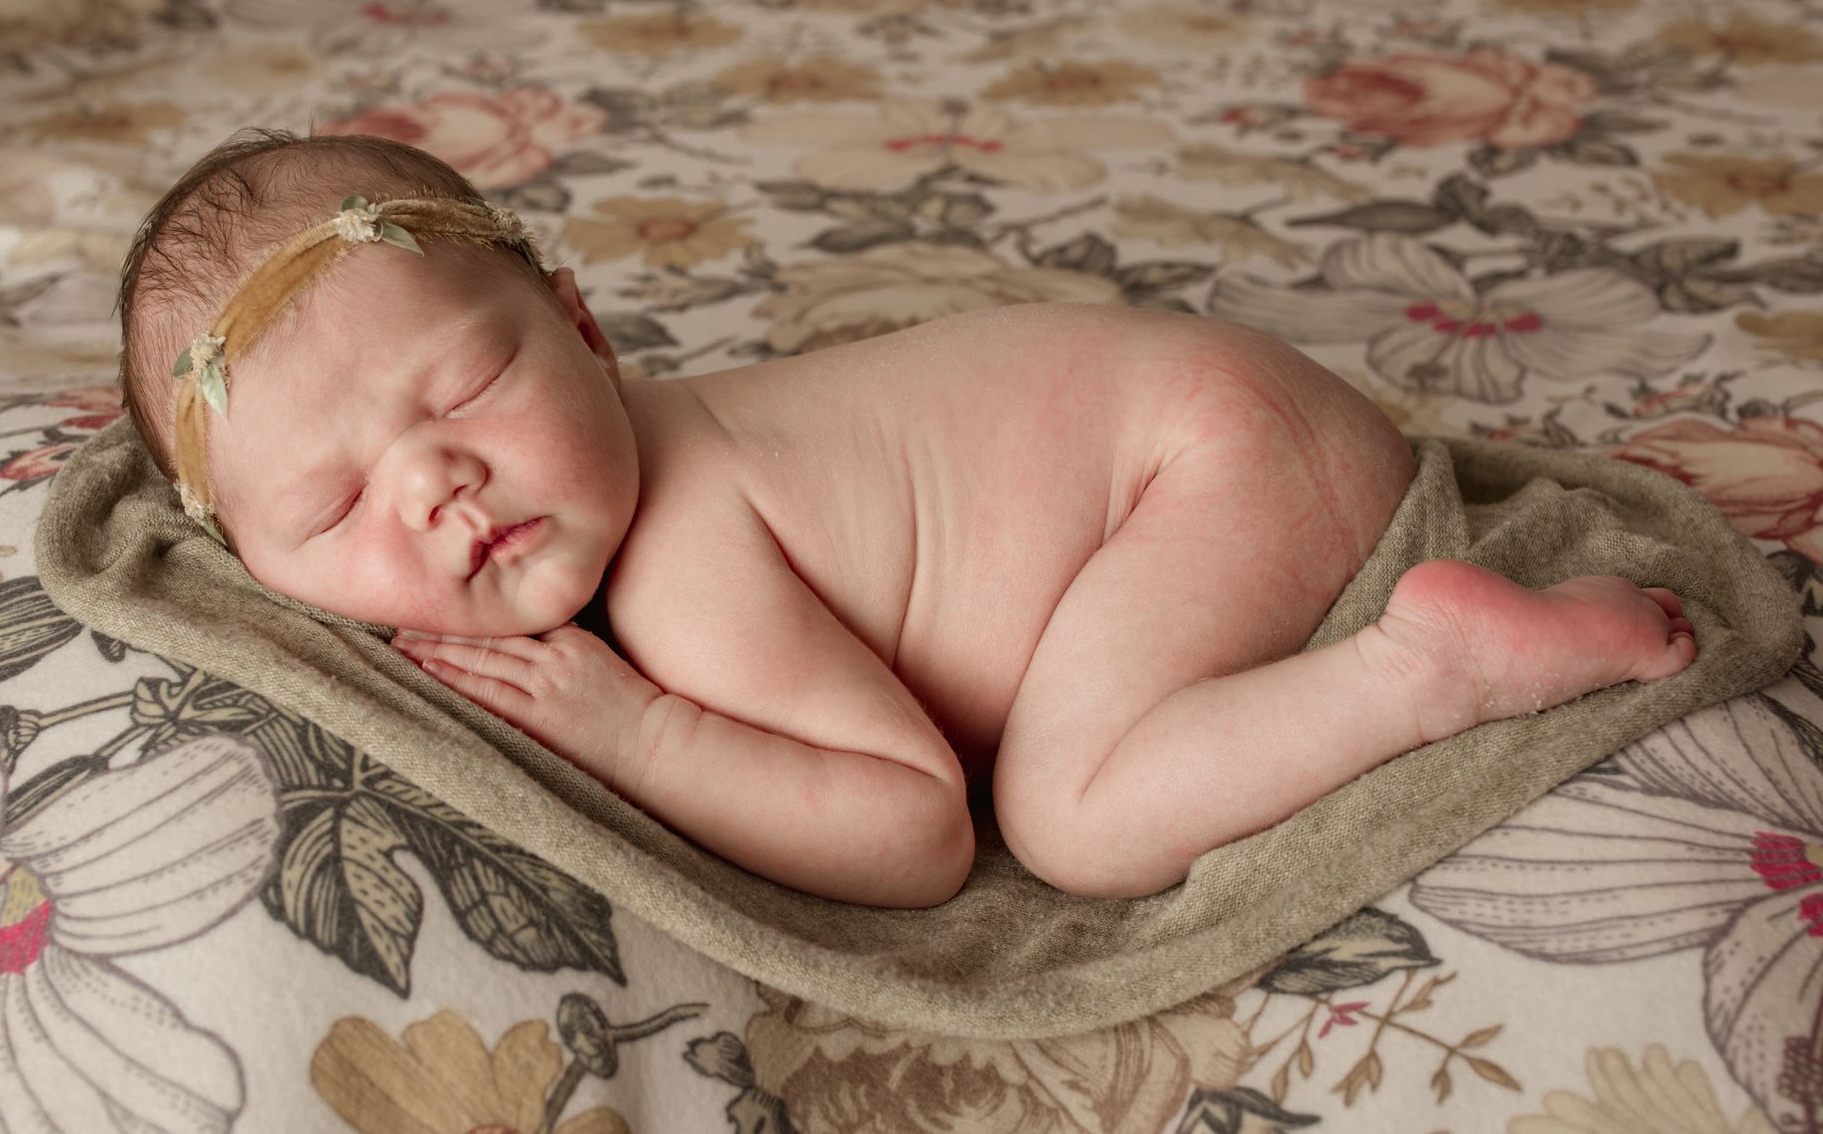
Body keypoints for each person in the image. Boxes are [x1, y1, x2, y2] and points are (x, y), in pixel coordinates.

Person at [118, 129, 1700, 908]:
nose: (431, 485)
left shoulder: (680, 563)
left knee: (1073, 817)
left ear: (587, 329)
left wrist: (644, 735)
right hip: (1217, 413)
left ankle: (1429, 671)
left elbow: (915, 832)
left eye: (466, 388)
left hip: (1212, 466)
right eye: (333, 507)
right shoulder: (649, 443)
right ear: (255, 564)